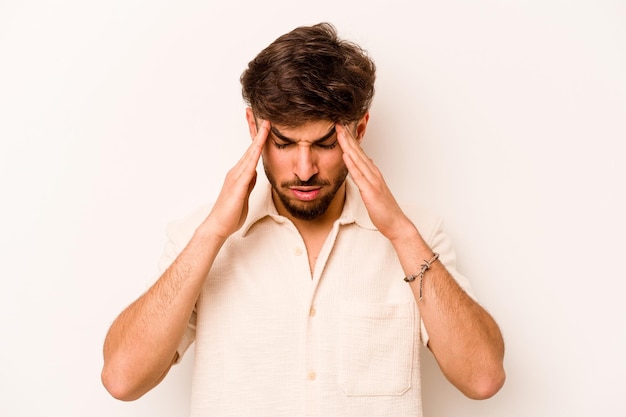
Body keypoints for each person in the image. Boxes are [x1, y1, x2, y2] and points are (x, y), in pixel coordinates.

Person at [101, 22, 505, 416]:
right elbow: (122, 379)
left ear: (360, 130)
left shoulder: (416, 236)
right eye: (284, 143)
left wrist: (399, 233)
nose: (305, 168)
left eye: (326, 144)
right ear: (253, 127)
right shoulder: (199, 234)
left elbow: (483, 378)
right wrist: (212, 233)